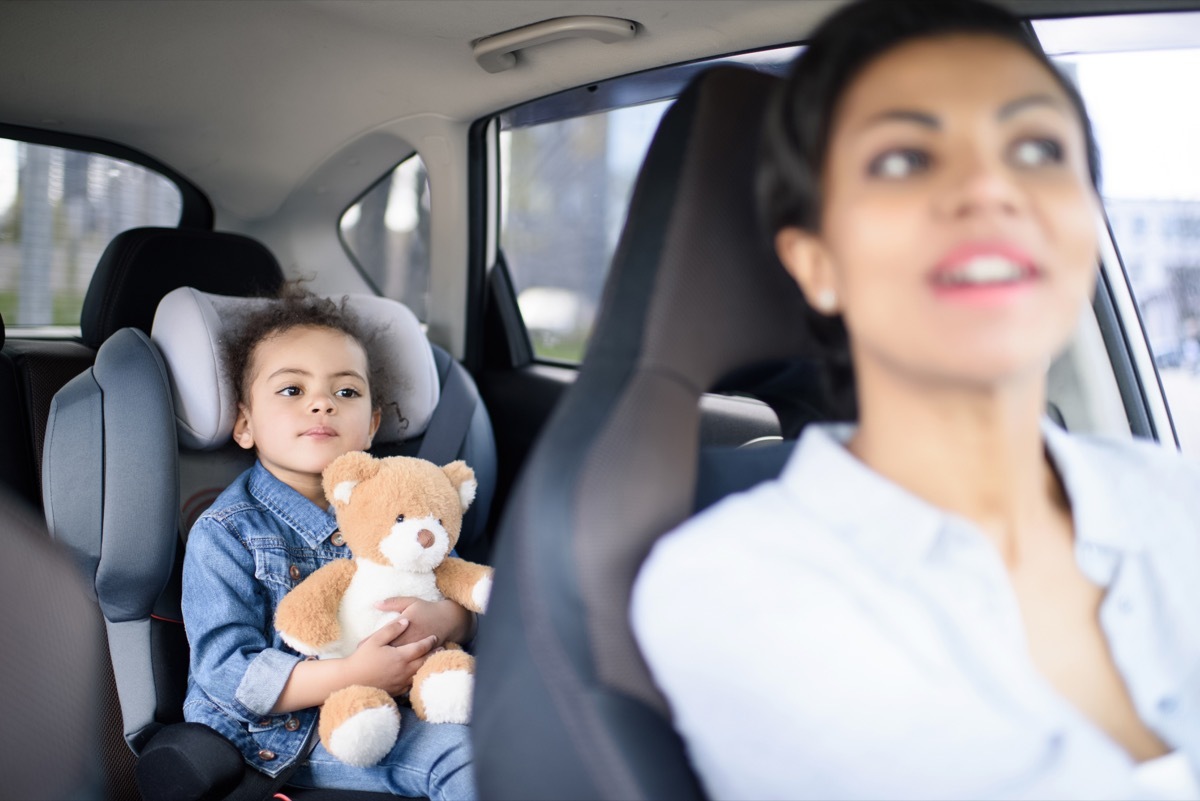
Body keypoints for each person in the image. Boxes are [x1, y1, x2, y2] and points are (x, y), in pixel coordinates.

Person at [631, 1, 1200, 799]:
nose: (992, 189)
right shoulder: (731, 587)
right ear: (818, 261)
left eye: (1037, 149)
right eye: (904, 159)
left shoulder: (1176, 494)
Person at [181, 291, 477, 799]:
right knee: (466, 761)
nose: (322, 403)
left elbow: (457, 587)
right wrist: (351, 674)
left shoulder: (402, 502)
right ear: (246, 424)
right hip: (286, 735)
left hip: (406, 703)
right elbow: (226, 674)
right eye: (292, 390)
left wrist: (449, 620)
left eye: (345, 393)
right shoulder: (228, 531)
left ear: (372, 426)